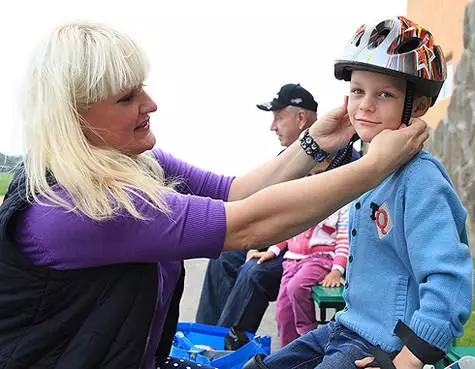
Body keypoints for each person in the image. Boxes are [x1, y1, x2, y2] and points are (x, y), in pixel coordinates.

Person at [0, 21, 430, 369]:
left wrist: (317, 142)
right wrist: (373, 166)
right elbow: (247, 224)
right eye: (127, 96)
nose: (150, 103)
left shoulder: (130, 160)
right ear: (76, 116)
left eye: (141, 86)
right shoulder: (75, 206)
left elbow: (236, 193)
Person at [243, 16, 473, 369]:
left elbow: (450, 280)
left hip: (387, 344)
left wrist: (409, 361)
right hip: (347, 326)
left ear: (420, 106)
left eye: (384, 94)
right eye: (357, 90)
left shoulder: (420, 180)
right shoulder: (369, 170)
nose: (365, 105)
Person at [195, 83, 318, 335]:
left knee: (254, 272)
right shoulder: (287, 159)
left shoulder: (336, 157)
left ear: (301, 118)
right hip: (282, 239)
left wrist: (269, 246)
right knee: (223, 256)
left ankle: (227, 350)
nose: (272, 127)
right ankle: (202, 339)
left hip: (312, 251)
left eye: (278, 118)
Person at [247, 158, 351, 347]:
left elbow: (344, 240)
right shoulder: (299, 204)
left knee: (297, 287)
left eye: (320, 176)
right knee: (283, 309)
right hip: (292, 260)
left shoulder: (340, 207)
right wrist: (272, 251)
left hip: (320, 259)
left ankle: (307, 341)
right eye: (309, 176)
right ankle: (289, 352)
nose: (313, 181)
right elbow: (287, 232)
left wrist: (337, 270)